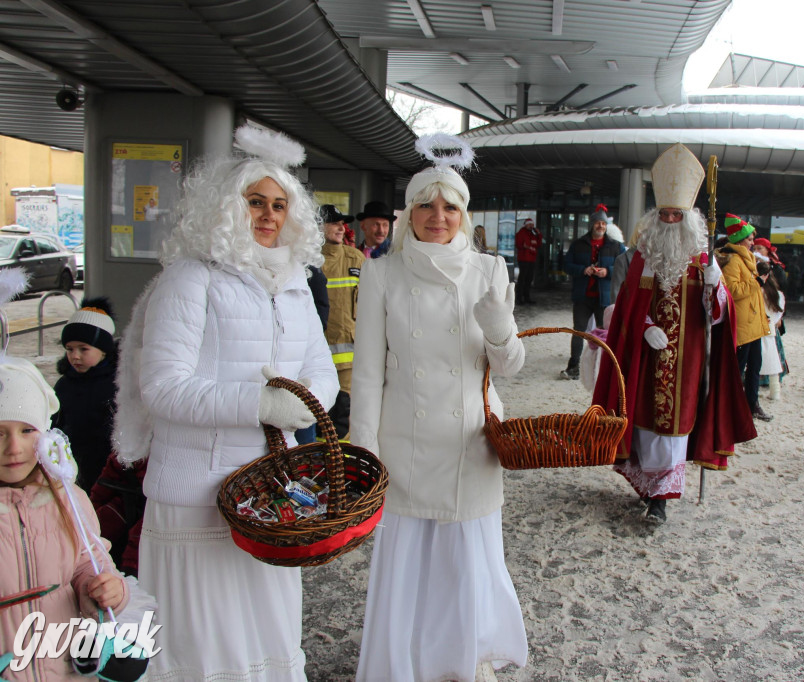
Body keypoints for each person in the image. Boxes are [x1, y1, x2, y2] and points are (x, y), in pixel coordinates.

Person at [114, 124, 339, 681]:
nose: (268, 215)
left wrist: (307, 406)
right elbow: (162, 386)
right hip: (196, 496)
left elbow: (322, 373)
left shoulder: (292, 281)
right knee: (203, 645)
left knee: (268, 632)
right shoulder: (190, 279)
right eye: (255, 202)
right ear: (227, 206)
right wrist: (261, 404)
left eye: (280, 205)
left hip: (271, 497)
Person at [350, 134, 527, 682]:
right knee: (408, 564)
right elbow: (368, 370)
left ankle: (466, 657)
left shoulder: (489, 270)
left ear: (464, 214)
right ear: (410, 211)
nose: (438, 215)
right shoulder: (383, 272)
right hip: (405, 438)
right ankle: (402, 660)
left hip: (470, 438)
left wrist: (497, 324)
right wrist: (365, 447)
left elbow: (512, 363)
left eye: (450, 206)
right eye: (427, 204)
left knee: (467, 559)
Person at [592, 143, 756, 523]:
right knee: (644, 422)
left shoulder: (705, 262)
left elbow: (718, 319)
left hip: (688, 359)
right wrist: (645, 327)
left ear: (688, 219)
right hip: (647, 358)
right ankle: (649, 489)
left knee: (675, 426)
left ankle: (662, 498)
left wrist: (716, 287)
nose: (668, 220)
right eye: (663, 214)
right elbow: (629, 309)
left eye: (675, 214)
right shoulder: (644, 260)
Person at [1, 357, 129, 682]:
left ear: (45, 437)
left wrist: (106, 590)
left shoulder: (68, 499)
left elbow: (90, 563)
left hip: (63, 668)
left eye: (27, 430)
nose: (13, 447)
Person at [51, 298, 118, 495]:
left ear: (104, 351)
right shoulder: (64, 384)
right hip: (72, 464)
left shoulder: (118, 384)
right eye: (70, 349)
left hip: (107, 468)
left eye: (83, 349)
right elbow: (55, 422)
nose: (75, 356)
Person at [717, 214, 772, 421]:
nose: (752, 243)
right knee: (738, 369)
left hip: (752, 325)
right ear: (740, 240)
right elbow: (731, 289)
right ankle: (731, 408)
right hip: (742, 325)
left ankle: (751, 404)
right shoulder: (734, 260)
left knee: (754, 367)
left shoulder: (745, 258)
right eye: (750, 240)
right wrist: (757, 282)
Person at [560, 204, 622, 380]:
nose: (600, 226)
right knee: (578, 332)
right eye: (597, 223)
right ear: (592, 224)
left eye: (603, 223)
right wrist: (582, 270)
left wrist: (607, 271)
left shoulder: (616, 246)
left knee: (605, 334)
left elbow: (625, 265)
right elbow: (566, 265)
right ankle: (573, 367)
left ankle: (605, 369)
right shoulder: (578, 244)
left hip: (604, 299)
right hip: (582, 297)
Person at [320, 203, 365, 438]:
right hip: (318, 357)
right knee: (319, 415)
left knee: (344, 416)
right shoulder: (311, 260)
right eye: (333, 223)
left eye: (341, 223)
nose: (340, 227)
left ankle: (343, 467)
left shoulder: (355, 259)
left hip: (351, 360)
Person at [758, 261, 786, 401]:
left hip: (755, 330)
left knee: (754, 363)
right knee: (772, 362)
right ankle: (775, 392)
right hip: (769, 330)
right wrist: (771, 322)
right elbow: (778, 315)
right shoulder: (778, 294)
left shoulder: (756, 291)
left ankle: (754, 390)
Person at [514, 218, 542, 304]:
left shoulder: (533, 235)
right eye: (530, 224)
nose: (531, 226)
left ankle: (527, 297)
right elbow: (518, 245)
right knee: (522, 279)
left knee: (529, 279)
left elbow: (538, 244)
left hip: (531, 260)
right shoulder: (521, 233)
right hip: (523, 259)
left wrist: (539, 234)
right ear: (525, 225)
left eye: (532, 224)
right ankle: (519, 298)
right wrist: (524, 247)